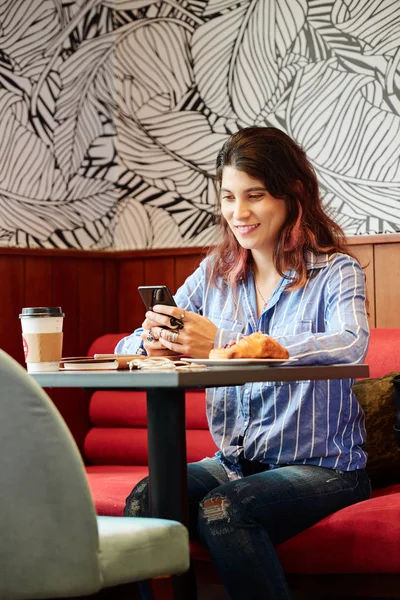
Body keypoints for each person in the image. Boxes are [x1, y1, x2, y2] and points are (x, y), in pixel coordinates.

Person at [115, 127, 371, 600]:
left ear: (292, 195)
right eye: (229, 198)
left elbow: (350, 344)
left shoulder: (335, 271)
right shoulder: (215, 274)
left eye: (254, 196)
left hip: (325, 469)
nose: (239, 213)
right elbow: (128, 345)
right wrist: (150, 346)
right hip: (233, 463)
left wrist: (225, 340)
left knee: (223, 510)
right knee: (146, 499)